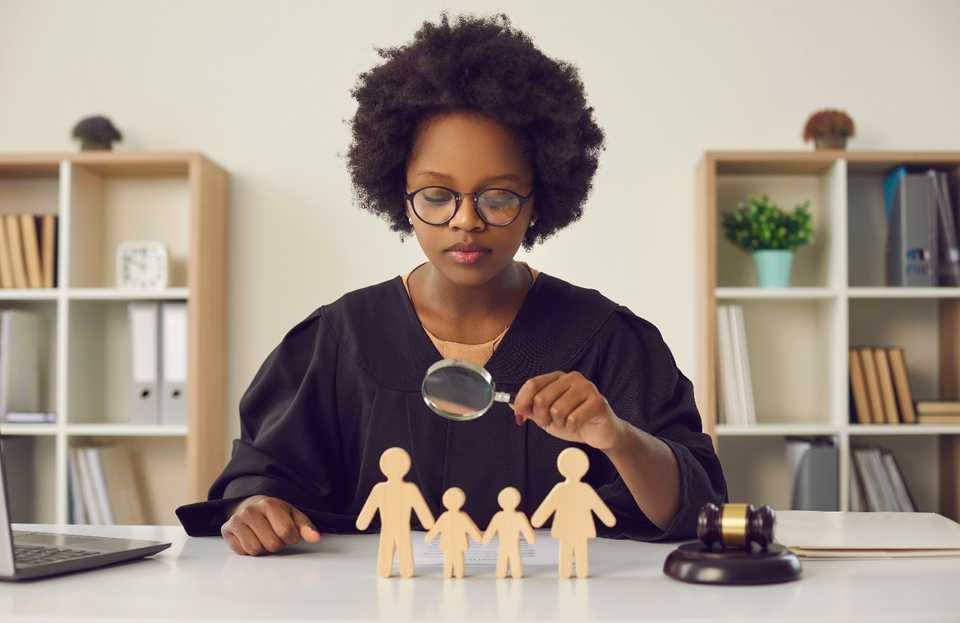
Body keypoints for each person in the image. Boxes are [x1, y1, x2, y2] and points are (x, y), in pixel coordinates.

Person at [175, 11, 727, 557]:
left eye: (498, 196)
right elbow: (257, 479)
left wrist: (620, 438)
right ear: (400, 195)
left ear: (539, 201)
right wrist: (253, 508)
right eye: (437, 195)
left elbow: (697, 509)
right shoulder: (341, 338)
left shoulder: (608, 341)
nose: (466, 221)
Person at [424, 487, 483, 579]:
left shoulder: (457, 516)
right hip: (451, 543)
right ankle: (453, 573)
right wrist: (479, 538)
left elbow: (470, 528)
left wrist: (429, 537)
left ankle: (455, 573)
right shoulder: (450, 516)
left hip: (454, 543)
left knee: (453, 559)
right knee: (450, 559)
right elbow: (437, 528)